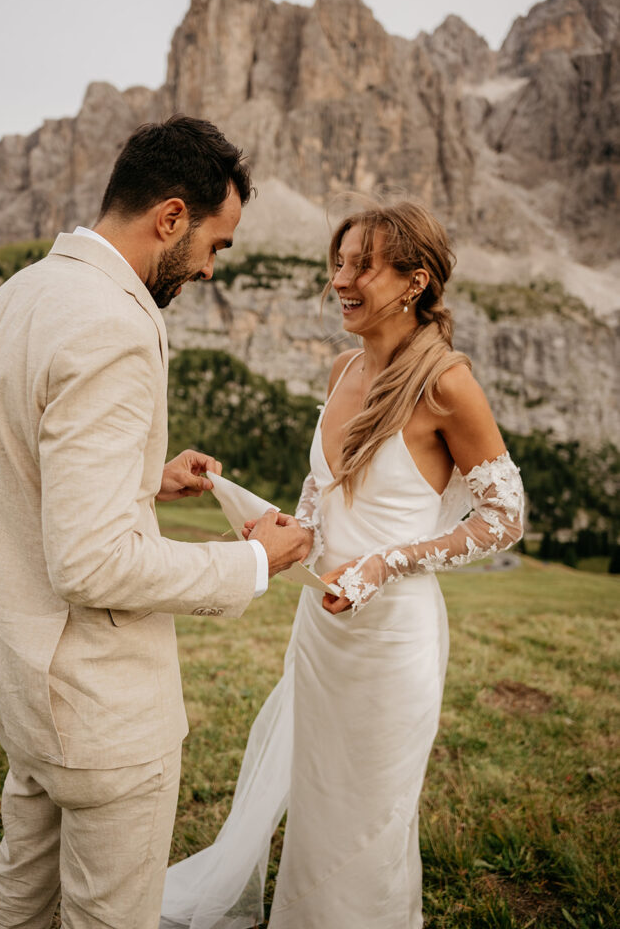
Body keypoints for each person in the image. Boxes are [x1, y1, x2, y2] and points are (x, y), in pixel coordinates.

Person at [0, 116, 308, 929]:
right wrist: (251, 562)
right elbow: (89, 563)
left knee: (20, 889)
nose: (210, 270)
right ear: (170, 218)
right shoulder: (115, 324)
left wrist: (141, 480)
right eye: (214, 246)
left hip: (22, 677)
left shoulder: (21, 293)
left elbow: (28, 464)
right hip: (97, 704)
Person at [159, 200, 524, 929]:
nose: (340, 280)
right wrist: (283, 526)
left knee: (369, 818)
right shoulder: (342, 368)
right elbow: (322, 493)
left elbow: (504, 517)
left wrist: (386, 563)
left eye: (362, 265)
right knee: (318, 792)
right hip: (321, 624)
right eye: (338, 263)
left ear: (413, 282)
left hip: (392, 640)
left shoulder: (446, 384)